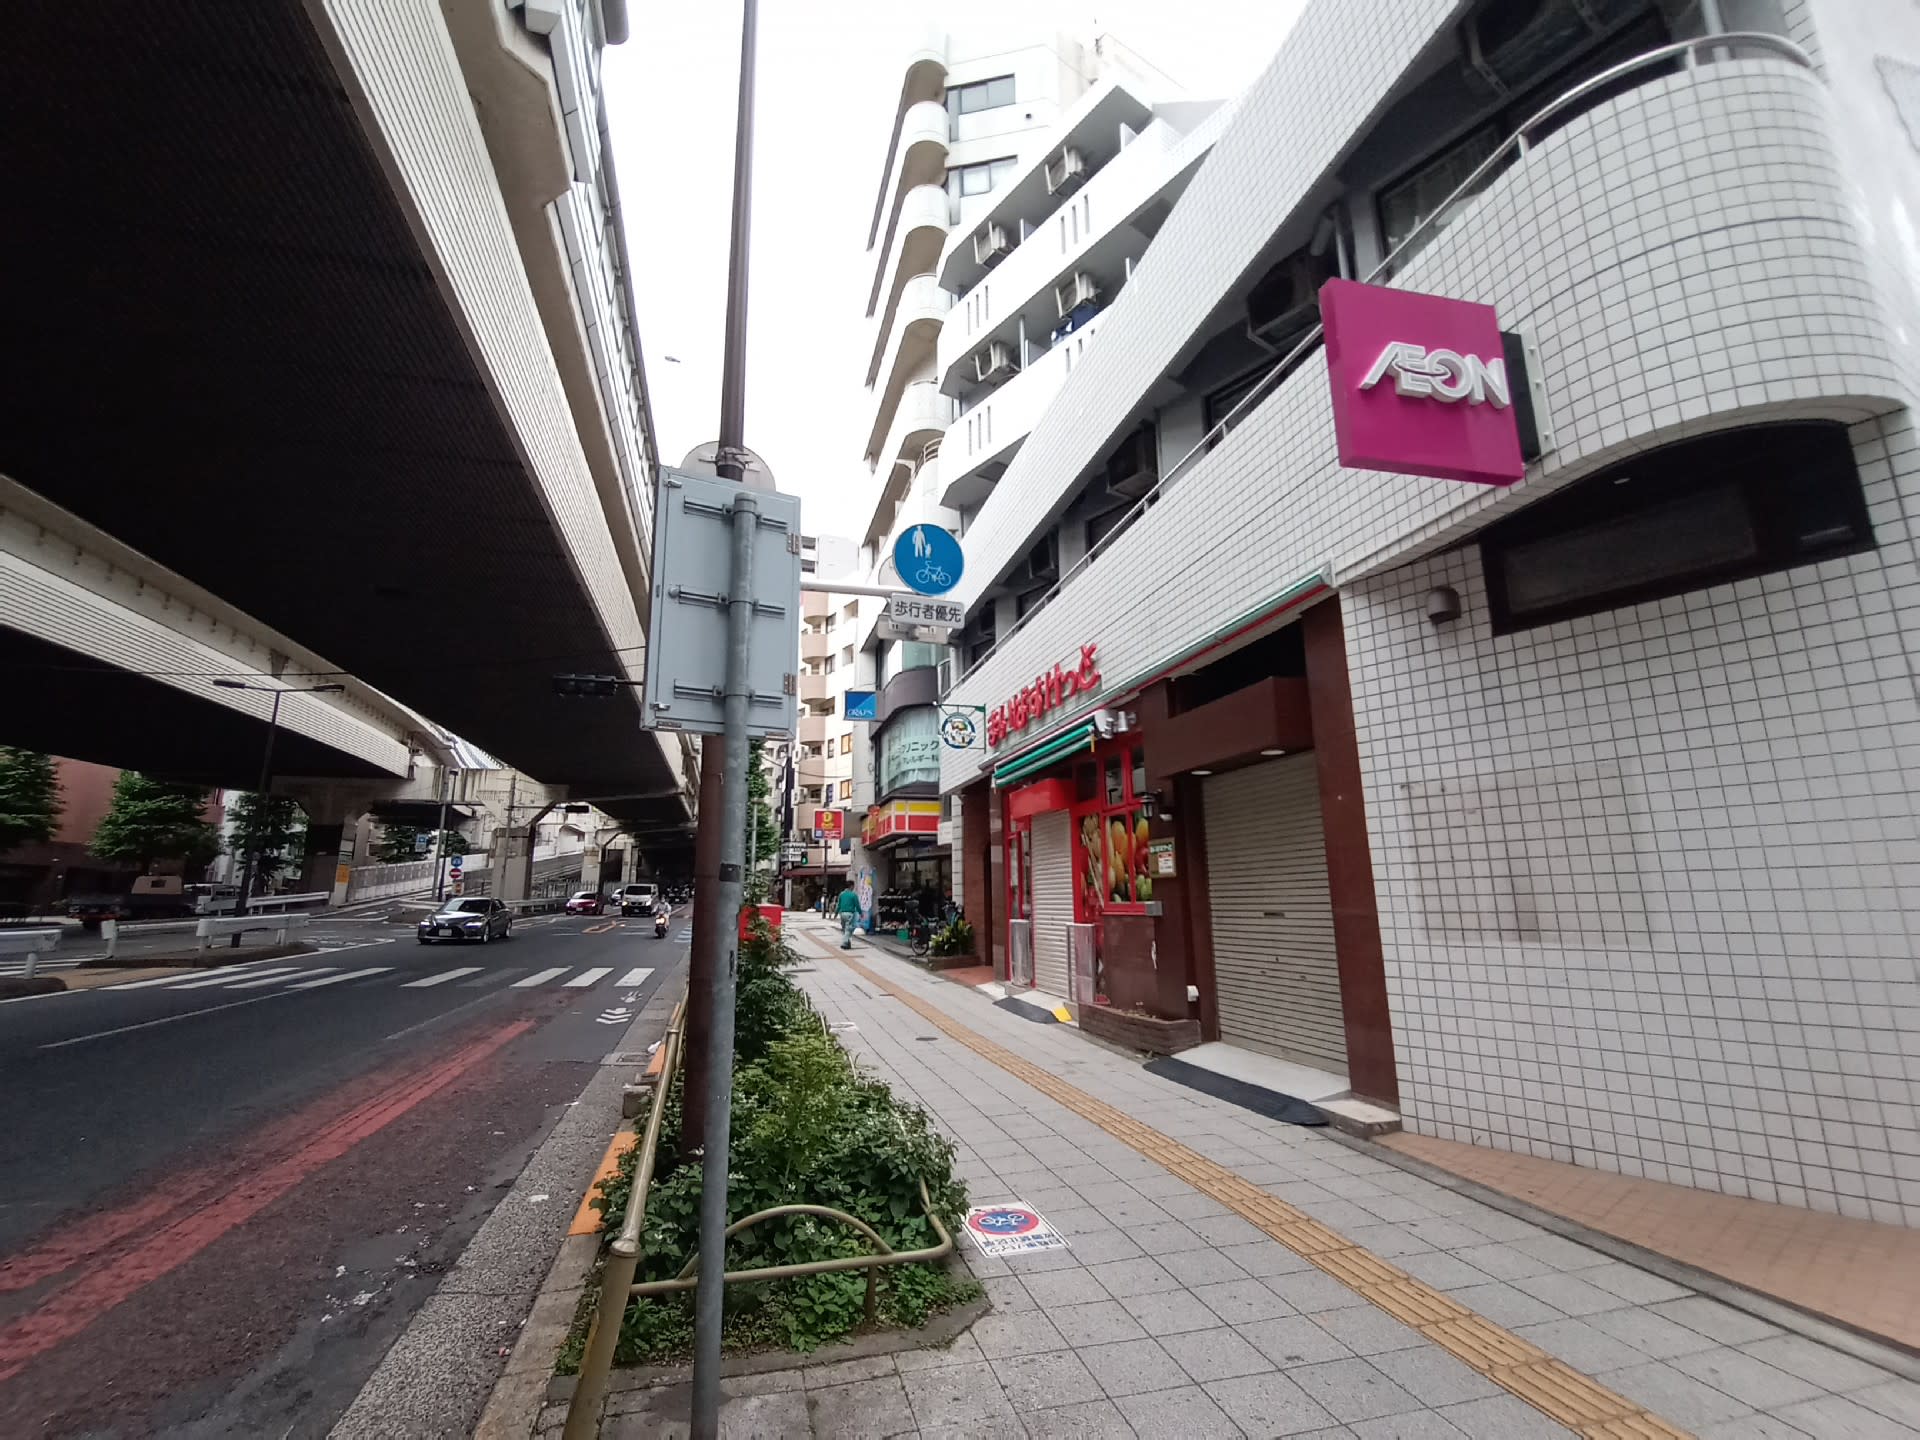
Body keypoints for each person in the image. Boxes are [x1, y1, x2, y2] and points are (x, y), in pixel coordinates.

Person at [835, 881, 860, 949]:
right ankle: (844, 942)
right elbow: (857, 905)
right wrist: (860, 913)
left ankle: (848, 944)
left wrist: (836, 913)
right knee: (849, 929)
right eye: (853, 886)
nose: (854, 887)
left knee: (845, 929)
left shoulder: (841, 894)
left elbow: (838, 905)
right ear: (851, 886)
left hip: (842, 913)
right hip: (850, 914)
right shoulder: (853, 895)